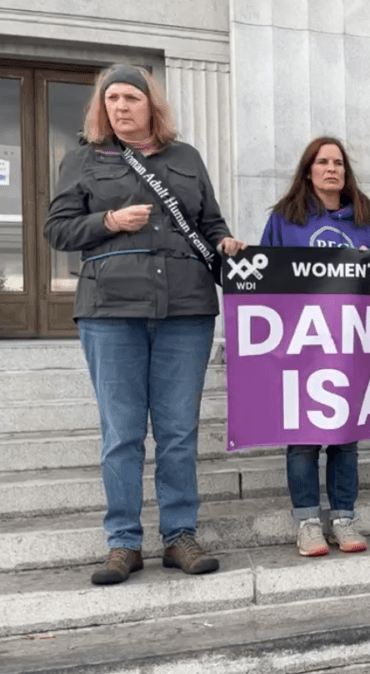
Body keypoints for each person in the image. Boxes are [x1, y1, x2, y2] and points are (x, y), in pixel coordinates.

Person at [44, 64, 248, 585]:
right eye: (110, 99)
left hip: (186, 310)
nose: (119, 107)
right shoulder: (83, 160)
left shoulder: (186, 159)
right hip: (110, 312)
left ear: (150, 104)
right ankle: (123, 543)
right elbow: (58, 230)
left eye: (129, 97)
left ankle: (180, 535)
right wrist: (108, 222)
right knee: (122, 433)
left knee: (179, 432)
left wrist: (226, 243)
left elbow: (211, 224)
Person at [261, 137, 370, 556]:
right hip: (301, 342)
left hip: (349, 340)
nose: (331, 169)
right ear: (308, 169)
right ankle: (308, 522)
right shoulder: (284, 219)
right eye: (322, 162)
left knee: (345, 436)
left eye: (338, 163)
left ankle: (345, 517)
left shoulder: (364, 220)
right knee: (303, 437)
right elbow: (264, 277)